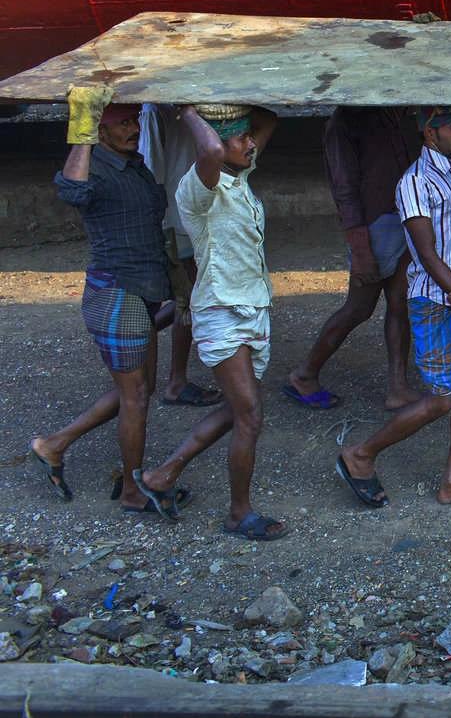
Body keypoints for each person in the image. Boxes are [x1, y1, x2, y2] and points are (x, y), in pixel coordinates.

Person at [335, 106, 451, 508]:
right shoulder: (415, 183)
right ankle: (360, 455)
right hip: (439, 304)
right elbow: (427, 253)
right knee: (441, 399)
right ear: (430, 133)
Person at [134, 103, 288, 541]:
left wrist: (226, 93)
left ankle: (162, 475)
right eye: (241, 138)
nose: (251, 144)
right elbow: (211, 152)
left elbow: (270, 120)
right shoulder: (197, 190)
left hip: (252, 310)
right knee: (250, 415)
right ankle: (239, 513)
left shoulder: (239, 178)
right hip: (222, 314)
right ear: (217, 144)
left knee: (236, 410)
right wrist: (186, 110)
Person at [30, 88, 177, 513]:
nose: (133, 128)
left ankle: (54, 445)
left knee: (140, 389)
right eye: (122, 122)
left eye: (134, 120)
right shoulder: (93, 167)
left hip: (143, 290)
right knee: (136, 396)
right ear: (100, 130)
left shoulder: (135, 165)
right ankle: (132, 490)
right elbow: (71, 192)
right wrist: (82, 131)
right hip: (116, 293)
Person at [286, 106, 420, 411]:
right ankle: (304, 374)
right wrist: (360, 249)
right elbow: (344, 189)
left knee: (400, 302)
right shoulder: (345, 121)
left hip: (405, 216)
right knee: (359, 307)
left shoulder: (400, 112)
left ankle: (398, 387)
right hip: (374, 225)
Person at [137, 103, 220, 408]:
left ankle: (143, 344)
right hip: (176, 218)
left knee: (188, 296)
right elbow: (151, 171)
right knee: (189, 299)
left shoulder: (186, 104)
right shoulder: (156, 110)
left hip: (191, 213)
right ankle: (176, 382)